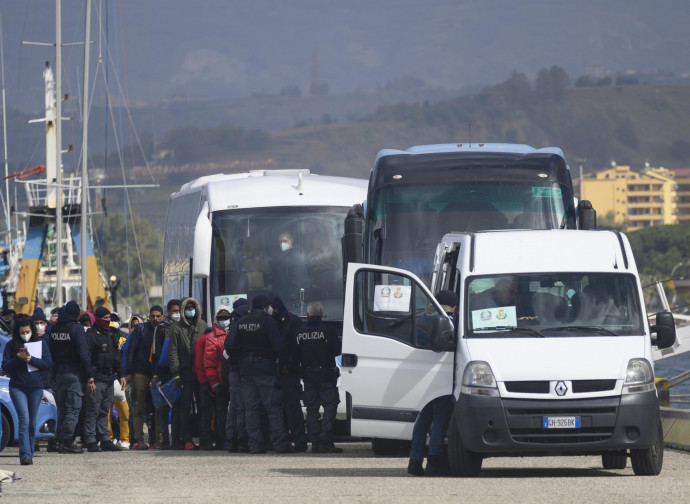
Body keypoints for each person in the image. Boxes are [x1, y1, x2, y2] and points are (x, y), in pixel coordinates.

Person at [227, 294, 292, 454]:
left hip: (246, 370)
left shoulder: (240, 323)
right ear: (265, 307)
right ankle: (280, 444)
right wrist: (282, 363)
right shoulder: (268, 322)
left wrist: (240, 359)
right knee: (272, 407)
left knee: (251, 409)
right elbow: (279, 346)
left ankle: (255, 445)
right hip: (265, 369)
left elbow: (229, 345)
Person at [407, 290, 458, 476]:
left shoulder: (420, 319)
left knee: (423, 420)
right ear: (453, 306)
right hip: (443, 376)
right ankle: (434, 462)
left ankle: (414, 461)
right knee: (440, 421)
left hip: (422, 376)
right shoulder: (451, 321)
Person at [1, 315, 52, 465]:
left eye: (27, 331)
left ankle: (29, 451)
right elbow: (5, 366)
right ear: (18, 332)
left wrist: (32, 360)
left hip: (36, 388)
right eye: (22, 332)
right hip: (18, 387)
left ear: (32, 330)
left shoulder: (41, 344)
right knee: (24, 419)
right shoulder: (11, 345)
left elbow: (48, 363)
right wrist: (18, 358)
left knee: (32, 422)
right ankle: (25, 455)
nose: (25, 334)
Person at [294, 302, 343, 454]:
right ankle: (325, 440)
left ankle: (315, 442)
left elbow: (295, 353)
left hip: (308, 375)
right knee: (330, 406)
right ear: (321, 315)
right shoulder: (328, 331)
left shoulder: (300, 333)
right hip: (327, 375)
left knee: (311, 409)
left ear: (307, 315)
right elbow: (337, 349)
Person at [49, 300, 93, 454]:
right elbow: (83, 354)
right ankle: (67, 441)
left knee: (61, 409)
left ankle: (55, 441)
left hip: (58, 374)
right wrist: (89, 376)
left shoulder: (54, 329)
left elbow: (51, 352)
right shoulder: (76, 329)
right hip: (74, 373)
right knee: (73, 409)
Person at [270, 293, 308, 452]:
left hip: (290, 373)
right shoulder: (270, 321)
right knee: (278, 411)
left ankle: (299, 443)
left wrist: (289, 365)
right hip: (273, 372)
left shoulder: (293, 321)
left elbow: (297, 348)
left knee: (293, 410)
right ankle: (283, 443)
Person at [84, 307, 125, 452]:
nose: (108, 320)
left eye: (110, 318)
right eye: (105, 318)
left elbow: (116, 356)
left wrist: (121, 374)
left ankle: (105, 439)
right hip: (97, 378)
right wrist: (90, 379)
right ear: (99, 318)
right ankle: (90, 440)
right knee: (93, 410)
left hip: (109, 377)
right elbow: (86, 358)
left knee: (104, 410)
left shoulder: (111, 334)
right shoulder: (90, 335)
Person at [169, 297, 208, 450]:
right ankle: (187, 439)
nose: (190, 311)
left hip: (200, 372)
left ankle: (204, 439)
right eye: (187, 308)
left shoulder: (203, 325)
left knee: (203, 406)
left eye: (192, 308)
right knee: (185, 407)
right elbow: (173, 352)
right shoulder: (176, 328)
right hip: (184, 373)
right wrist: (176, 374)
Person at [126, 305, 163, 450]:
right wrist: (129, 372)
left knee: (158, 408)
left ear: (162, 316)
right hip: (141, 372)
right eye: (152, 316)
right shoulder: (140, 329)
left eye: (158, 316)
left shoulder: (164, 329)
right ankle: (139, 440)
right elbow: (131, 351)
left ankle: (159, 440)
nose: (155, 319)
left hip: (158, 373)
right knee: (138, 407)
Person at [150, 299, 180, 450]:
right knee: (163, 408)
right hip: (163, 371)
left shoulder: (183, 325)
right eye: (174, 311)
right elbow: (156, 352)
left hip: (179, 371)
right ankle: (165, 440)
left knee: (178, 405)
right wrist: (156, 374)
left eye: (178, 311)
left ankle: (176, 438)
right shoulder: (161, 328)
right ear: (168, 312)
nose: (177, 314)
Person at [203, 305, 232, 450]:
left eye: (226, 318)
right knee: (221, 413)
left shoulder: (234, 333)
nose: (224, 321)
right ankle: (222, 440)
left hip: (234, 380)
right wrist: (214, 383)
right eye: (221, 318)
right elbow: (209, 363)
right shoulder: (212, 338)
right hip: (220, 382)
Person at [225, 298, 250, 453]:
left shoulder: (233, 326)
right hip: (241, 371)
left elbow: (228, 349)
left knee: (233, 406)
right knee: (241, 407)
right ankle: (241, 439)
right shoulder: (243, 326)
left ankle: (231, 439)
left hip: (234, 370)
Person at [273, 231, 308, 302]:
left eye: (285, 241)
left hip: (292, 298)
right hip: (285, 295)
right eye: (280, 242)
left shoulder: (295, 256)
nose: (282, 243)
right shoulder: (285, 255)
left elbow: (297, 279)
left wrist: (291, 298)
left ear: (291, 241)